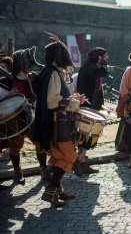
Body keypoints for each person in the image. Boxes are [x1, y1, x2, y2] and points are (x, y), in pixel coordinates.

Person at [33, 33, 86, 206]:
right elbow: (52, 101)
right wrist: (73, 101)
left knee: (58, 157)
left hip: (56, 123)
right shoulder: (53, 74)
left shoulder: (50, 72)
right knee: (69, 156)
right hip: (59, 124)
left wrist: (73, 98)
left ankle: (57, 190)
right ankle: (50, 191)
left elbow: (56, 97)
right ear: (58, 56)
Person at [0, 54, 51, 184]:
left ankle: (44, 170)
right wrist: (10, 96)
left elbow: (34, 99)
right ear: (21, 65)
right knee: (16, 146)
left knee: (40, 143)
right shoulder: (7, 82)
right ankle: (17, 172)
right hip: (13, 120)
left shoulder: (31, 78)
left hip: (29, 118)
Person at [74, 47, 110, 177]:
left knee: (88, 136)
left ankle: (82, 162)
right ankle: (77, 163)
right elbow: (102, 72)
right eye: (105, 56)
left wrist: (100, 106)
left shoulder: (94, 67)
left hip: (92, 106)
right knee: (82, 136)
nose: (107, 58)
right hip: (84, 106)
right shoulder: (89, 67)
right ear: (99, 58)